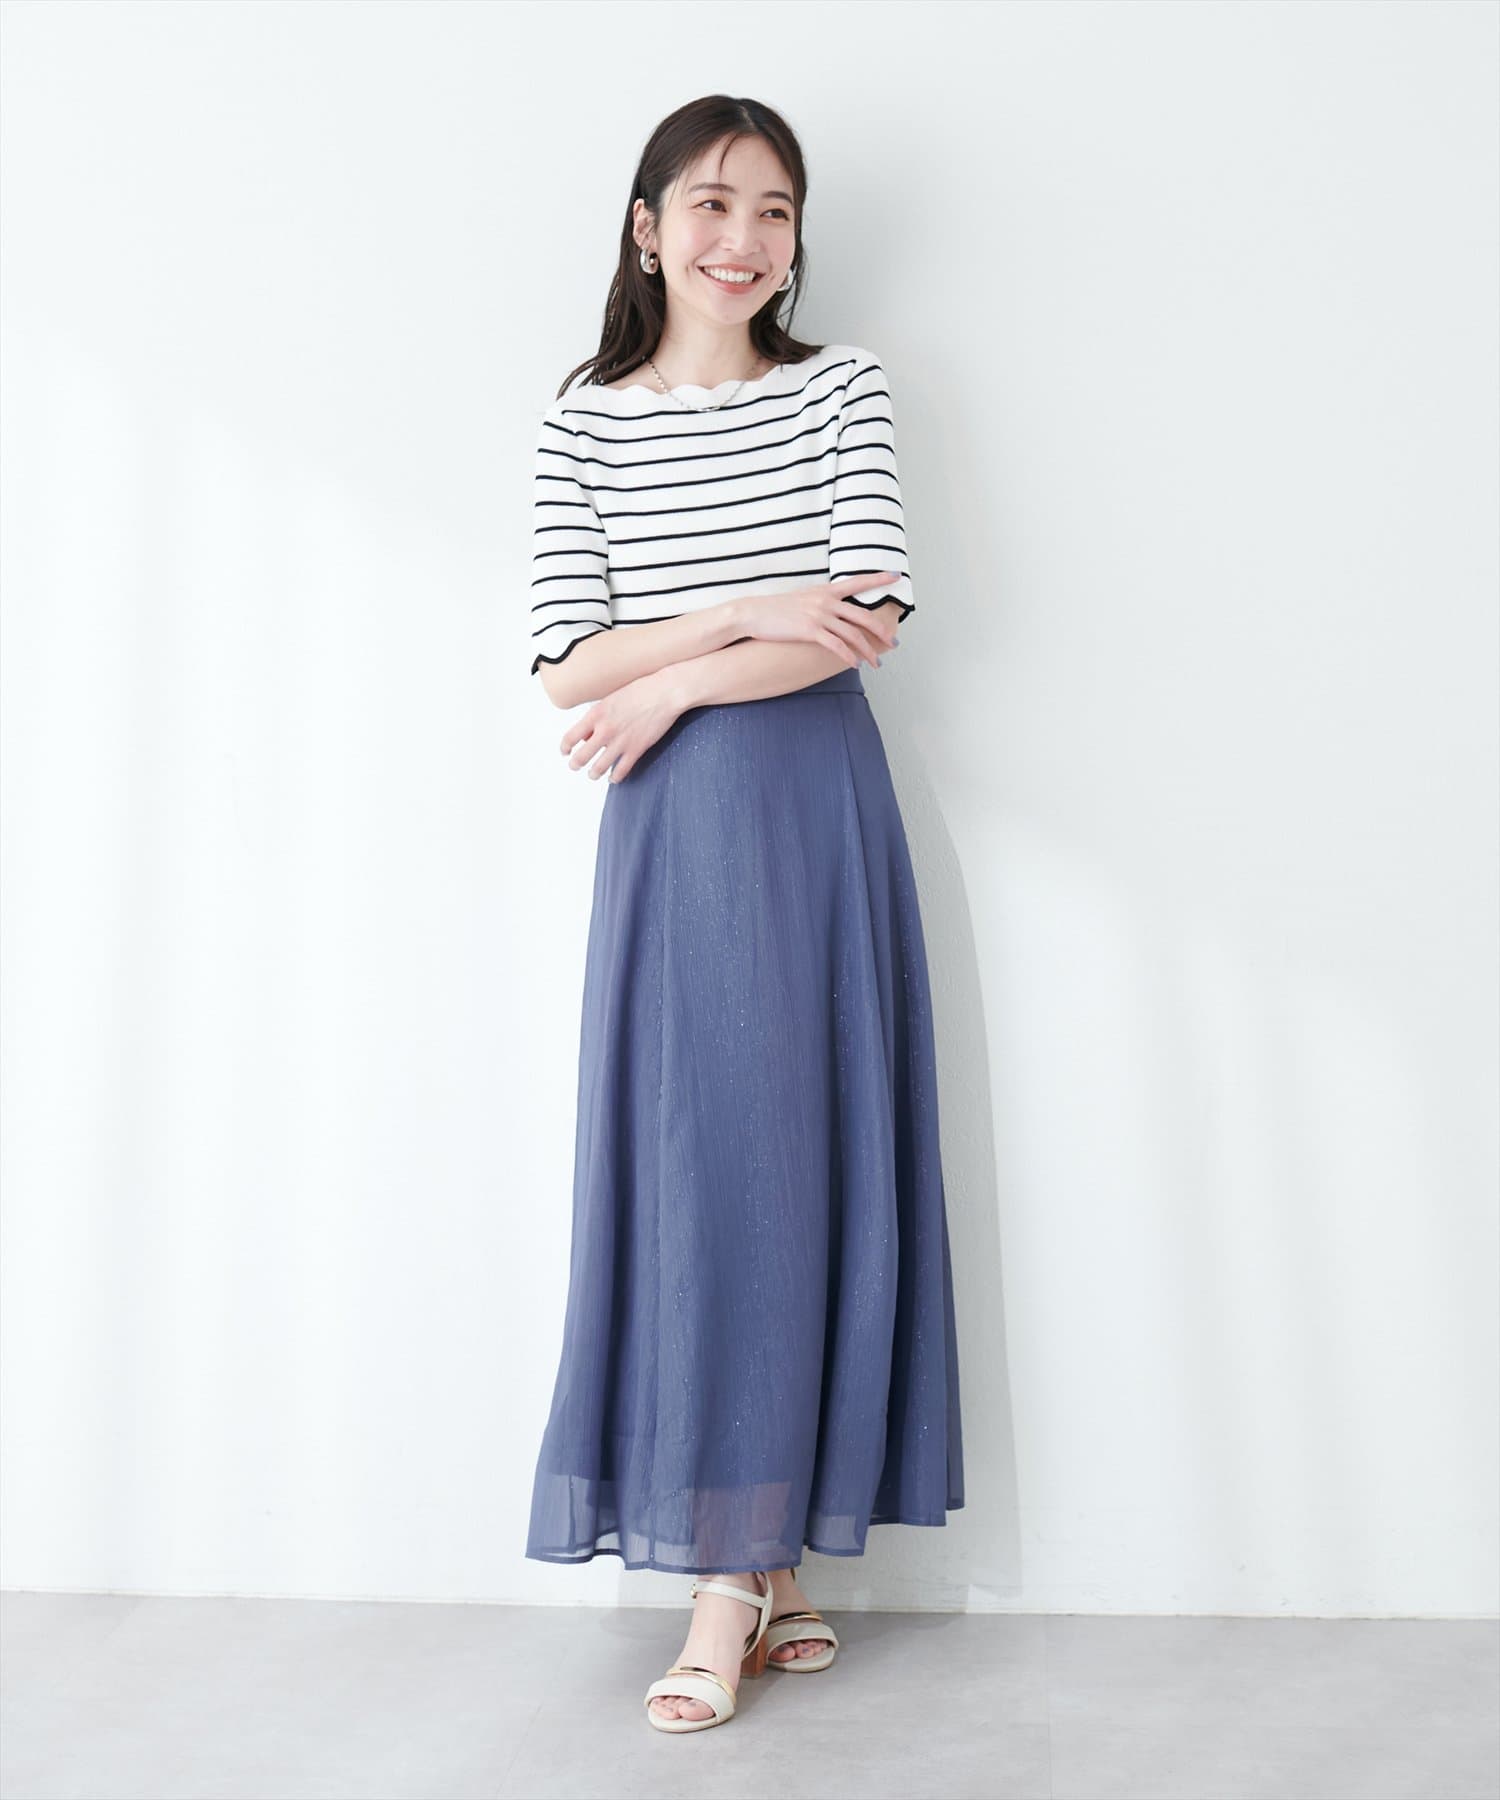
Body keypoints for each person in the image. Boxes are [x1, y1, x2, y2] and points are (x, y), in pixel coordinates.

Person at [523, 94, 964, 1736]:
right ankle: (753, 1566)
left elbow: (868, 614)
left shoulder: (842, 389)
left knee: (798, 1162)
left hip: (809, 803)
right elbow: (566, 662)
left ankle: (736, 1573)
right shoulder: (585, 422)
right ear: (647, 227)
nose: (744, 238)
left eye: (774, 210)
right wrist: (737, 614)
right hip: (674, 833)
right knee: (707, 1176)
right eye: (711, 204)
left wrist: (675, 681)